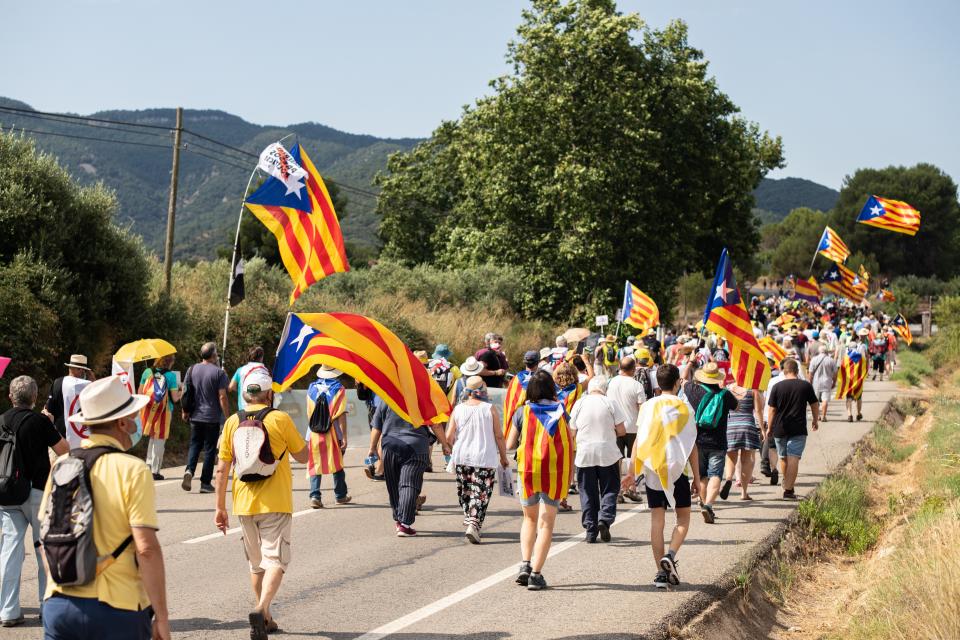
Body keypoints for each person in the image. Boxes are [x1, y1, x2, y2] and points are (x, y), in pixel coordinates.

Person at [42, 375, 170, 640]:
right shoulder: (132, 469)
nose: (136, 423)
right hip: (116, 608)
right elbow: (146, 549)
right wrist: (162, 616)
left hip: (58, 604)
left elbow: (45, 537)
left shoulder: (61, 465)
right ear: (122, 423)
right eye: (132, 416)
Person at [214, 368, 308, 640]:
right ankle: (261, 607)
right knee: (276, 560)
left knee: (256, 565)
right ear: (269, 393)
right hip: (276, 502)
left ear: (245, 394)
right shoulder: (280, 418)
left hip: (243, 503)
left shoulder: (232, 422)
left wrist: (219, 507)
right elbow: (302, 456)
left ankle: (266, 619)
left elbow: (222, 468)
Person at [623, 364, 700, 589]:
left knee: (657, 522)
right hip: (677, 470)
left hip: (654, 469)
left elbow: (639, 440)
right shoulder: (685, 408)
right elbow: (692, 445)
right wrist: (697, 477)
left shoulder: (647, 406)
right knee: (683, 519)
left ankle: (660, 572)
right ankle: (671, 554)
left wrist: (631, 472)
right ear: (677, 383)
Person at [0, 376, 68, 627]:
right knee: (44, 552)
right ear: (35, 398)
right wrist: (52, 426)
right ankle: (46, 606)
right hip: (38, 493)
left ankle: (8, 611)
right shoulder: (40, 421)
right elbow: (64, 450)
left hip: (7, 495)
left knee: (10, 552)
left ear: (10, 396)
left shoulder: (1, 421)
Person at [506, 370, 573, 591]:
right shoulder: (561, 412)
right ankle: (536, 573)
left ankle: (525, 564)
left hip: (527, 471)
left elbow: (509, 444)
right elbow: (570, 444)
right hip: (553, 472)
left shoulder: (522, 411)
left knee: (529, 520)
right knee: (546, 523)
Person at [369, 401, 451, 537]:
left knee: (393, 484)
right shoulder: (421, 400)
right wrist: (445, 445)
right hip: (416, 446)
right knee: (409, 484)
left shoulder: (387, 399)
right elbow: (436, 425)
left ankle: (399, 519)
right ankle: (405, 524)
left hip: (391, 445)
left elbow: (377, 426)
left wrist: (372, 448)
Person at [445, 376, 508, 543]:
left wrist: (450, 449)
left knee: (465, 490)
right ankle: (473, 523)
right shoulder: (489, 408)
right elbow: (499, 436)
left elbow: (449, 436)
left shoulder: (458, 409)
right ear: (483, 389)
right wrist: (503, 456)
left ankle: (470, 518)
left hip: (462, 456)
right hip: (484, 457)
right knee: (481, 492)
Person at [568, 377, 625, 543]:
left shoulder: (579, 403)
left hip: (584, 453)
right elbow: (621, 430)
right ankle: (604, 519)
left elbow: (572, 431)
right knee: (609, 488)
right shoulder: (610, 403)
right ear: (604, 389)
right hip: (607, 453)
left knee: (587, 491)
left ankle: (590, 529)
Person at [681, 362, 738, 524]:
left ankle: (704, 504)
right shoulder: (725, 395)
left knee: (702, 476)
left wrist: (691, 363)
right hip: (718, 442)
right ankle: (708, 505)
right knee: (715, 475)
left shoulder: (694, 390)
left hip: (698, 441)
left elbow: (682, 380)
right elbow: (737, 406)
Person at [767, 359, 819, 500]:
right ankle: (788, 490)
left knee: (783, 458)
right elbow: (814, 404)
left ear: (784, 371)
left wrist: (769, 427)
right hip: (798, 427)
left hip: (780, 427)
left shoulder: (777, 386)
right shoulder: (805, 386)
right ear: (797, 371)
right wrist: (815, 419)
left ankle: (788, 484)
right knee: (794, 457)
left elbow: (772, 410)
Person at [181, 342, 230, 494]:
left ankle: (189, 470)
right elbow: (222, 396)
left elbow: (186, 391)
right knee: (209, 450)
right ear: (214, 355)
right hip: (212, 417)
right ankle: (205, 483)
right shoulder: (219, 373)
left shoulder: (192, 369)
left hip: (195, 416)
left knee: (195, 445)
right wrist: (228, 416)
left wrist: (185, 410)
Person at [305, 365, 351, 509]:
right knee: (337, 462)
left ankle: (315, 496)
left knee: (314, 462)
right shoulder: (339, 388)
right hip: (333, 431)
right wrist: (344, 436)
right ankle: (340, 495)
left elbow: (309, 411)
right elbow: (341, 414)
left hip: (313, 431)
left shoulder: (311, 387)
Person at [606, 357, 646, 503]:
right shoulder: (637, 385)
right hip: (633, 426)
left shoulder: (610, 383)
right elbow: (642, 407)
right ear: (634, 369)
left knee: (616, 459)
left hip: (615, 426)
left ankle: (616, 491)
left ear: (619, 367)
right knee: (633, 459)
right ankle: (631, 488)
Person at [138, 354, 182, 480]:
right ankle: (155, 471)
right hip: (164, 412)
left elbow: (140, 393)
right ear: (170, 362)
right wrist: (182, 390)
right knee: (159, 439)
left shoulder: (147, 372)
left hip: (148, 409)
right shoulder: (171, 376)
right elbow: (175, 398)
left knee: (152, 438)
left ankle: (148, 466)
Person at [720, 381, 763, 501]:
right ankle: (744, 493)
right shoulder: (752, 390)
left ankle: (728, 479)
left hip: (730, 427)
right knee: (746, 461)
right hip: (747, 426)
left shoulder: (727, 389)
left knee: (730, 459)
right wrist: (763, 429)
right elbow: (759, 411)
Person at [42, 354, 93, 446]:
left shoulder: (57, 383)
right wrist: (94, 381)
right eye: (84, 371)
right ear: (80, 370)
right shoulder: (90, 386)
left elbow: (49, 409)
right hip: (83, 442)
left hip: (60, 440)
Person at [227, 346, 266, 411]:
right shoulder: (265, 371)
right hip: (260, 409)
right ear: (261, 357)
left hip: (243, 408)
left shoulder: (240, 370)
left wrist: (240, 389)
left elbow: (230, 387)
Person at [808, 344, 837, 422]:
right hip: (827, 382)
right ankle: (824, 416)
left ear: (819, 351)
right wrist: (834, 382)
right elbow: (835, 373)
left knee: (815, 400)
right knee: (825, 400)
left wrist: (809, 382)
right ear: (826, 351)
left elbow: (810, 373)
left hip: (816, 382)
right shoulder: (831, 360)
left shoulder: (814, 359)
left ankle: (818, 416)